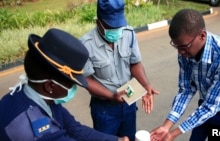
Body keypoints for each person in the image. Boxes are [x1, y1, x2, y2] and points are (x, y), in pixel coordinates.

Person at [0, 28, 129, 141]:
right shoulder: (38, 132)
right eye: (71, 83)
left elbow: (75, 129)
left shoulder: (35, 95)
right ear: (50, 86)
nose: (72, 88)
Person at [150, 9, 220, 141]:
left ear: (202, 35)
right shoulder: (185, 50)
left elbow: (212, 105)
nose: (180, 53)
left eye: (184, 47)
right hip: (205, 107)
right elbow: (186, 90)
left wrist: (173, 134)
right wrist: (166, 126)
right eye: (176, 46)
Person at [79, 0, 160, 140]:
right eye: (111, 26)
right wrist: (111, 96)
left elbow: (134, 64)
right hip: (104, 109)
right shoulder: (86, 45)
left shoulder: (128, 33)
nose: (117, 30)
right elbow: (87, 80)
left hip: (129, 102)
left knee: (128, 138)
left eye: (119, 25)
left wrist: (146, 85)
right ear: (99, 22)